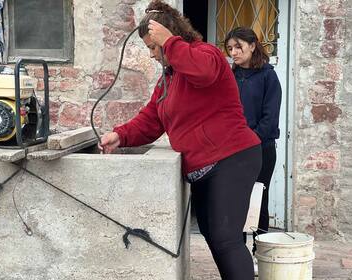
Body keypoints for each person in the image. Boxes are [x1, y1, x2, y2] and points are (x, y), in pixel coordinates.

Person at [100, 1, 261, 279]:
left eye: (153, 47)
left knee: (226, 238)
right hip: (205, 167)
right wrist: (120, 135)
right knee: (215, 238)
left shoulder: (205, 54)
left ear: (168, 37)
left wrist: (170, 43)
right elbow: (152, 119)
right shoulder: (168, 79)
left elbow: (204, 72)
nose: (151, 55)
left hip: (232, 157)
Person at [224, 27, 282, 254]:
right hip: (233, 149)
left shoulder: (269, 75)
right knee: (235, 199)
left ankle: (260, 250)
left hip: (261, 148)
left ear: (252, 45)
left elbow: (270, 118)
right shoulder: (230, 76)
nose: (234, 52)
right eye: (230, 49)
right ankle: (238, 251)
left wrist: (249, 139)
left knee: (259, 197)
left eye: (238, 46)